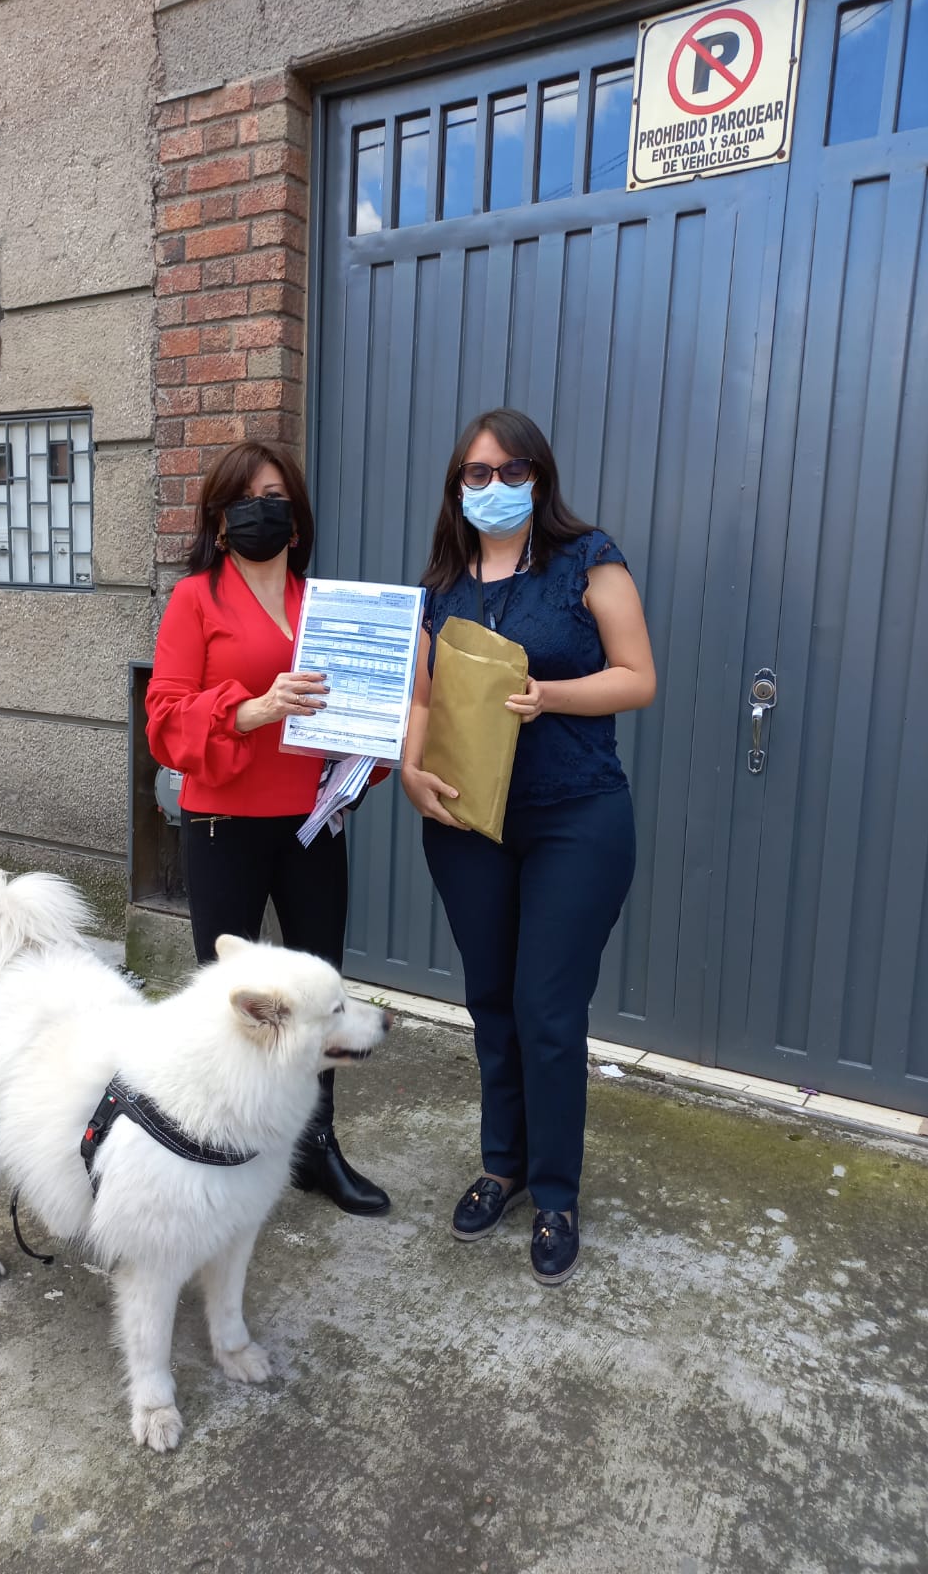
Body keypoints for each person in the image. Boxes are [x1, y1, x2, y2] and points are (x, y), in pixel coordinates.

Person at [401, 408, 655, 1284]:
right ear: (457, 487)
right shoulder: (444, 583)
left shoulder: (589, 560)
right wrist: (410, 771)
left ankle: (554, 1193)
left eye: (513, 471)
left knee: (548, 1009)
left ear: (540, 478)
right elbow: (424, 700)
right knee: (493, 1002)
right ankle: (502, 1167)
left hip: (575, 817)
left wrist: (550, 696)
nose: (495, 486)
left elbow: (638, 678)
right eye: (477, 473)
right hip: (469, 822)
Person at [144, 440, 390, 1217]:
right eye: (246, 498)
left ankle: (316, 1148)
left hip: (314, 824)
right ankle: (218, 1139)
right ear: (220, 521)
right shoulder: (195, 601)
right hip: (225, 825)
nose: (263, 509)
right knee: (234, 1001)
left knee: (319, 994)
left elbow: (364, 708)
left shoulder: (329, 606)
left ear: (297, 518)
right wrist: (253, 709)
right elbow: (164, 721)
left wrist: (376, 734)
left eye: (277, 496)